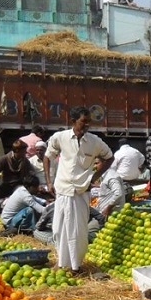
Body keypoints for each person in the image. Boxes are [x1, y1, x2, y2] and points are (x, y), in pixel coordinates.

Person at [44, 107, 113, 273]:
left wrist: (94, 178)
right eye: (84, 121)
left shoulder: (94, 141)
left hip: (81, 192)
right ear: (73, 121)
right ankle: (62, 263)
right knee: (59, 228)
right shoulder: (60, 137)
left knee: (78, 230)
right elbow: (47, 156)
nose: (87, 125)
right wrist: (48, 181)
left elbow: (109, 157)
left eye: (89, 122)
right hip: (62, 189)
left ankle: (76, 266)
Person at [0, 140, 33, 214]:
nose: (26, 153)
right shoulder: (4, 159)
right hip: (5, 185)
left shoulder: (25, 162)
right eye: (24, 151)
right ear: (17, 150)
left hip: (18, 186)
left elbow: (29, 175)